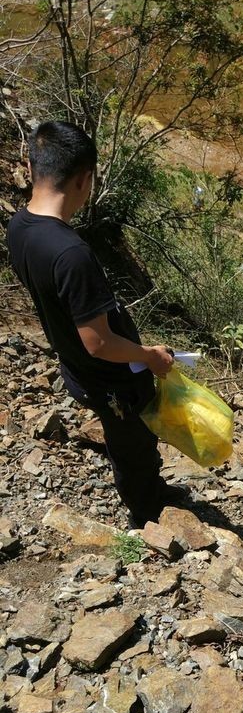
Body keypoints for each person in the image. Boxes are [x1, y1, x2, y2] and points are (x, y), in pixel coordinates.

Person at [6, 120, 180, 528]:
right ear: (86, 180)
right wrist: (149, 356)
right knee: (132, 443)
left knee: (131, 440)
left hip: (77, 369)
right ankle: (148, 517)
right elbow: (100, 342)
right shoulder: (71, 254)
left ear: (31, 168)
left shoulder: (18, 228)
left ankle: (150, 490)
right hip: (110, 378)